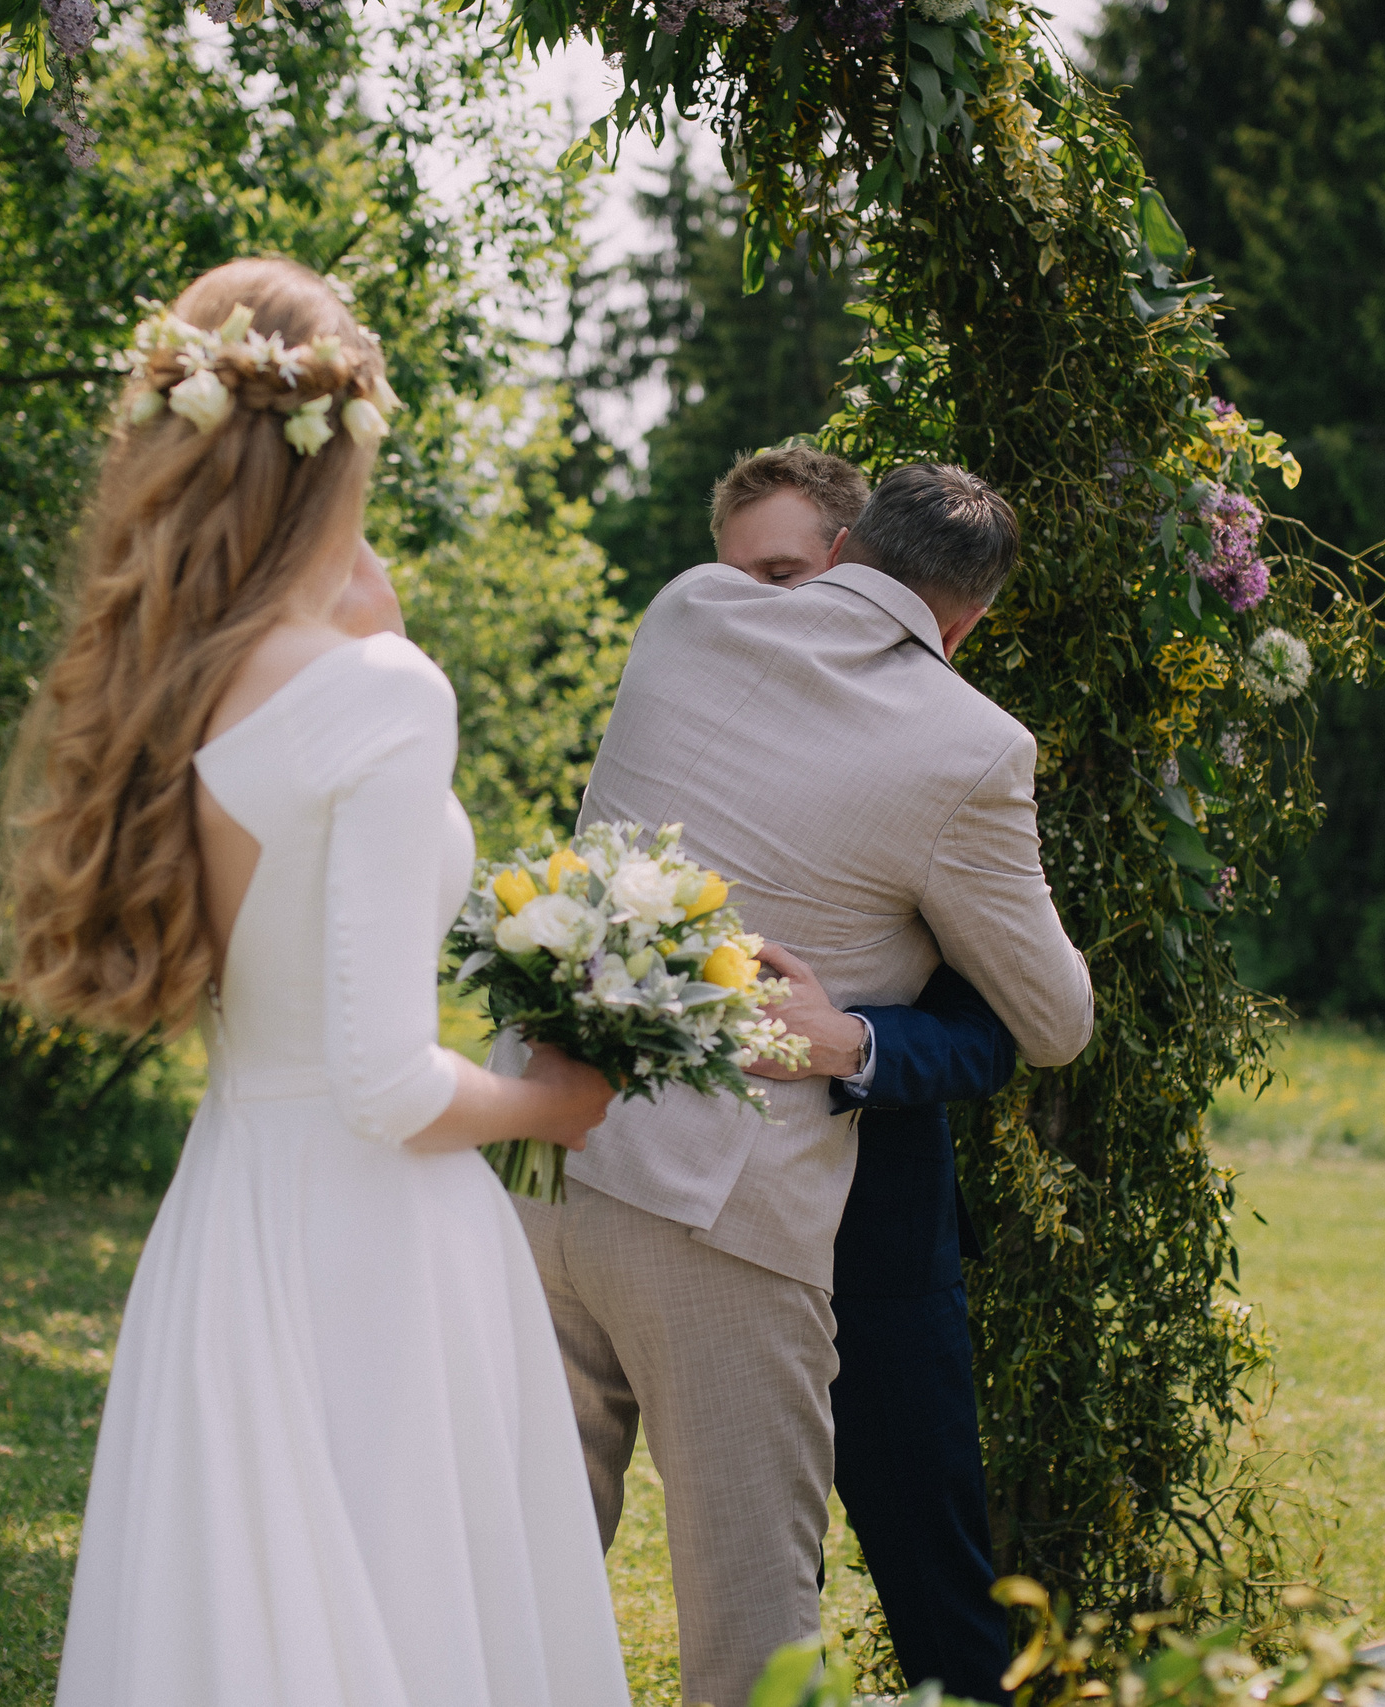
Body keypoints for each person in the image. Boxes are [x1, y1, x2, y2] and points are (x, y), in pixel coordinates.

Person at [0, 257, 631, 1707]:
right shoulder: (383, 692)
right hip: (376, 1243)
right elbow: (388, 1080)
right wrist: (556, 1101)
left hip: (231, 1209)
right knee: (408, 1621)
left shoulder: (171, 677)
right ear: (342, 444)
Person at [507, 451, 1092, 1705]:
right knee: (751, 1621)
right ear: (971, 617)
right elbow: (1054, 1019)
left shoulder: (686, 609)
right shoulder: (974, 748)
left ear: (844, 550)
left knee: (514, 1569)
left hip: (537, 1160)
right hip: (718, 1214)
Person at [714, 446, 1023, 1703]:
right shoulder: (692, 728)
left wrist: (857, 1045)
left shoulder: (949, 760)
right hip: (702, 1231)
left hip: (876, 1237)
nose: (762, 614)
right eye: (737, 585)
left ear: (849, 570)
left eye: (785, 576)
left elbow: (999, 1021)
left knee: (934, 1569)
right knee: (747, 1580)